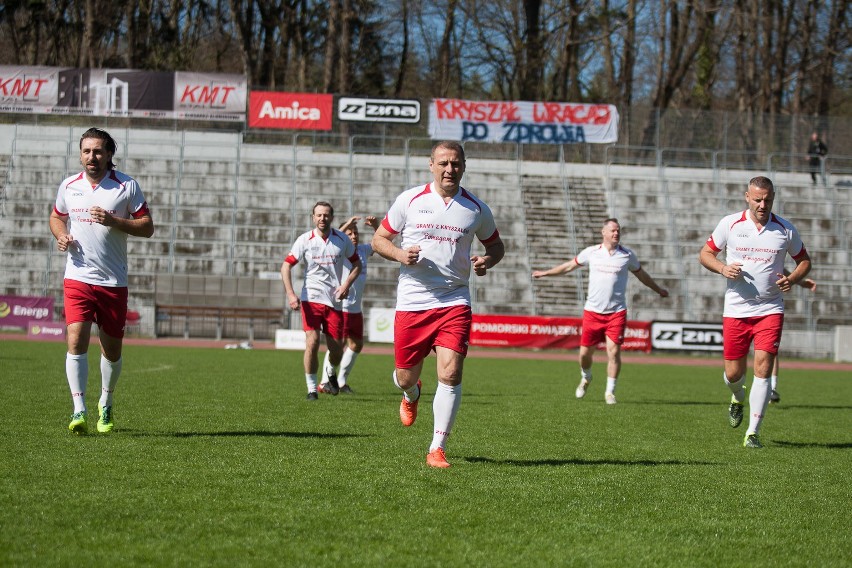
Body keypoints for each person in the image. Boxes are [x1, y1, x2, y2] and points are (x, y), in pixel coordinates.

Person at [371, 140, 504, 468]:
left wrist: (488, 260)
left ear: (464, 166)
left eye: (455, 163)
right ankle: (410, 393)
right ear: (431, 165)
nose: (449, 169)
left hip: (454, 299)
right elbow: (378, 239)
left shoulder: (475, 208)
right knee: (404, 376)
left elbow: (497, 246)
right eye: (443, 163)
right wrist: (401, 254)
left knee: (452, 370)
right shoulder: (410, 200)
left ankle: (437, 448)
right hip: (413, 300)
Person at [48, 127, 155, 435]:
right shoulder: (69, 185)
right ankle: (79, 409)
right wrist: (61, 235)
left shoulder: (126, 186)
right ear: (80, 154)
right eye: (86, 151)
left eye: (97, 151)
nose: (91, 157)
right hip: (77, 277)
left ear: (109, 154)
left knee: (112, 351)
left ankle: (105, 403)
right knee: (76, 340)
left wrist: (114, 221)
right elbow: (56, 216)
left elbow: (147, 227)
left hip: (113, 281)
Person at [699, 175, 811, 449]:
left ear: (773, 198)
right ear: (747, 197)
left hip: (770, 309)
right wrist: (723, 268)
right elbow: (705, 254)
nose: (763, 204)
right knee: (734, 374)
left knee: (763, 368)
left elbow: (804, 261)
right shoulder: (730, 224)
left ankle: (753, 432)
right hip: (736, 310)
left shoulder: (785, 229)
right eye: (758, 199)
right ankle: (737, 396)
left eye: (768, 199)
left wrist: (792, 278)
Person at [532, 218, 669, 404]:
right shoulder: (591, 253)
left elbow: (642, 275)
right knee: (584, 355)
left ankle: (610, 392)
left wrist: (658, 289)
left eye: (618, 230)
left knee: (613, 353)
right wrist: (546, 273)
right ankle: (586, 377)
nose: (616, 233)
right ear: (603, 232)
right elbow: (569, 266)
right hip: (593, 312)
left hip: (616, 313)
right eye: (612, 230)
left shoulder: (627, 255)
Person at [281, 201, 362, 400]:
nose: (322, 218)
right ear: (313, 217)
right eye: (318, 215)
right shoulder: (305, 240)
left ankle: (331, 372)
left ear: (331, 218)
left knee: (336, 350)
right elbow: (286, 266)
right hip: (311, 299)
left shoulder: (342, 239)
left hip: (333, 302)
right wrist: (291, 294)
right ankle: (311, 389)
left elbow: (357, 264)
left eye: (326, 215)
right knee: (313, 342)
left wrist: (345, 286)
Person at [319, 215, 381, 395]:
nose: (354, 236)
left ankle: (340, 381)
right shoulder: (339, 249)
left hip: (355, 309)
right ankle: (324, 382)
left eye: (355, 233)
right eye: (350, 233)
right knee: (337, 346)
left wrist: (376, 226)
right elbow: (333, 236)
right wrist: (344, 225)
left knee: (357, 345)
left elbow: (378, 244)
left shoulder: (361, 250)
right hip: (341, 308)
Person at [769, 275, 816, 403]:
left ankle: (771, 388)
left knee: (770, 350)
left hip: (768, 307)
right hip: (741, 308)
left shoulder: (772, 254)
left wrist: (799, 281)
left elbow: (777, 266)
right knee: (736, 364)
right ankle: (738, 390)